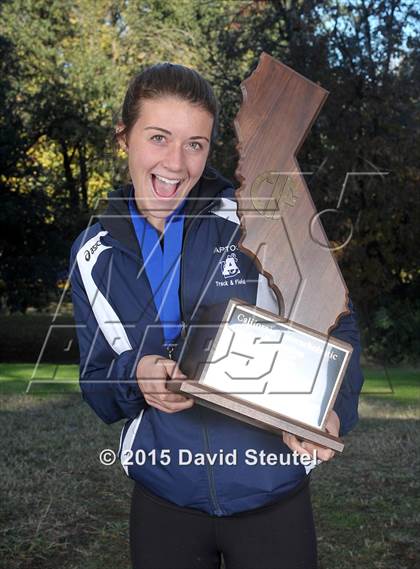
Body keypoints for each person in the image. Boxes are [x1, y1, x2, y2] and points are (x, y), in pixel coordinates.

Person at [70, 62, 364, 569]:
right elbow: (97, 382)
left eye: (195, 144)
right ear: (124, 138)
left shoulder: (258, 215)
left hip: (272, 494)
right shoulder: (94, 253)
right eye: (159, 137)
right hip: (164, 499)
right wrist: (135, 377)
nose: (177, 162)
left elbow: (339, 325)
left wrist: (332, 411)